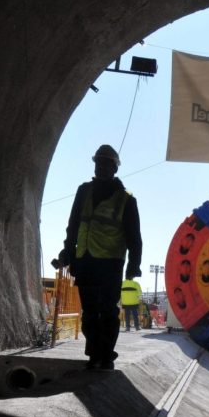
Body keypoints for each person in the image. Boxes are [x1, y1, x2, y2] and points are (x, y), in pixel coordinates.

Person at [56, 144, 142, 370]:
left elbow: (134, 236)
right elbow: (73, 225)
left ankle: (106, 356)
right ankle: (94, 354)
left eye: (106, 164)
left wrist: (134, 265)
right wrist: (67, 251)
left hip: (110, 263)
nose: (101, 168)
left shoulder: (126, 200)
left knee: (108, 311)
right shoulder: (83, 191)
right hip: (84, 261)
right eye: (98, 164)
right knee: (90, 311)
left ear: (114, 168)